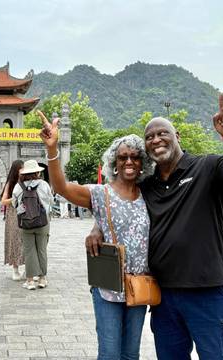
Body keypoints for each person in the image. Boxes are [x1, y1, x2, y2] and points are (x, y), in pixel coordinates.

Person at [85, 95, 223, 359]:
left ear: (176, 135)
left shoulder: (207, 167)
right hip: (163, 296)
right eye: (149, 137)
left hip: (208, 292)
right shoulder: (147, 185)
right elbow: (122, 207)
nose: (156, 139)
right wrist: (98, 228)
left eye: (162, 133)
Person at [39, 110, 153, 359]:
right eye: (123, 157)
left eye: (135, 156)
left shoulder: (150, 195)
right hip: (108, 286)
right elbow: (62, 187)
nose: (129, 162)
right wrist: (52, 150)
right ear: (114, 162)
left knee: (131, 354)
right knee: (110, 353)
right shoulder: (101, 193)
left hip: (139, 285)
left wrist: (96, 228)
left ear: (143, 161)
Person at [12, 159, 53, 290]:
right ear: (37, 172)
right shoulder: (44, 184)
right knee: (42, 249)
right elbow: (51, 201)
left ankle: (30, 281)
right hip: (43, 222)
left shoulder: (19, 186)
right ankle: (42, 279)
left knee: (29, 251)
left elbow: (14, 204)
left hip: (26, 223)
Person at [1, 160, 25, 280]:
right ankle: (15, 269)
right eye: (21, 168)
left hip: (26, 214)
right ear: (16, 170)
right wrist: (15, 198)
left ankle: (28, 268)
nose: (23, 171)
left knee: (26, 241)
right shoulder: (10, 183)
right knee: (15, 240)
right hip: (13, 214)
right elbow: (3, 201)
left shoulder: (27, 181)